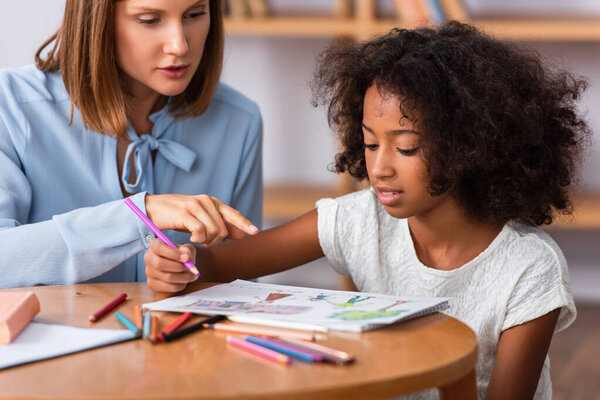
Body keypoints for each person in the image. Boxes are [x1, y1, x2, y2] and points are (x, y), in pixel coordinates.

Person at [145, 22, 590, 399]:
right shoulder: (360, 220)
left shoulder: (530, 268)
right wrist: (181, 263)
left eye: (407, 147)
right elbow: (220, 264)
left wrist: (445, 360)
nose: (379, 168)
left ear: (469, 146)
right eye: (370, 143)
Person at [0, 0, 262, 289]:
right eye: (149, 19)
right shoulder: (11, 106)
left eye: (195, 14)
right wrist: (141, 215)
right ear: (97, 21)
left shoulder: (239, 120)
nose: (179, 45)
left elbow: (243, 284)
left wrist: (190, 272)